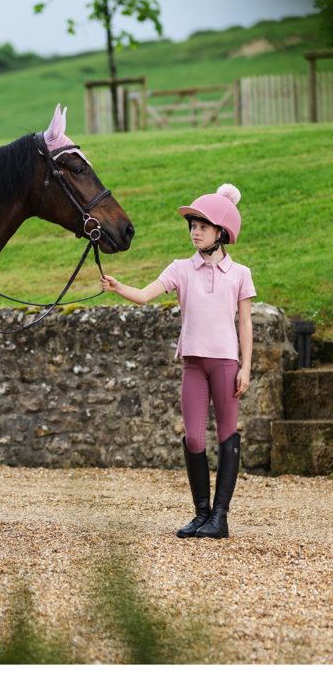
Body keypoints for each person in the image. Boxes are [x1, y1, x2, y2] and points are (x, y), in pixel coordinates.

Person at [100, 184, 256, 539]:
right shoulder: (181, 269)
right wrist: (118, 286)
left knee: (227, 436)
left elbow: (245, 323)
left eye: (202, 226)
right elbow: (143, 295)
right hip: (193, 365)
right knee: (193, 440)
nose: (195, 232)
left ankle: (221, 517)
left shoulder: (240, 274)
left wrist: (246, 367)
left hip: (226, 365)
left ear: (221, 233)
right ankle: (202, 514)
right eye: (192, 226)